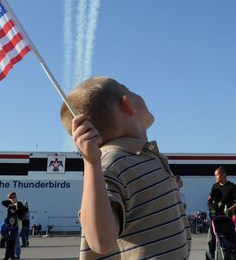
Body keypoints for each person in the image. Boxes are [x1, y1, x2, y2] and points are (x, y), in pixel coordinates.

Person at [59, 76, 191, 260]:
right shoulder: (109, 163)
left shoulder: (144, 156)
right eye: (128, 89)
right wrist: (91, 163)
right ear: (127, 103)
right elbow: (101, 241)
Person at [1, 192, 25, 259]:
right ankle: (9, 255)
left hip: (16, 226)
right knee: (9, 242)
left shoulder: (19, 204)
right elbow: (3, 202)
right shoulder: (10, 205)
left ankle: (17, 255)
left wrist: (15, 211)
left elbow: (23, 211)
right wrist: (10, 201)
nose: (12, 199)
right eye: (10, 198)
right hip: (9, 226)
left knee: (16, 241)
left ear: (16, 197)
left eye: (13, 197)